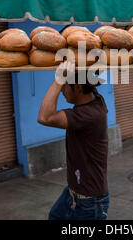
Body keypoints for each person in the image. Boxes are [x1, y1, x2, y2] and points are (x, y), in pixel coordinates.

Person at [37, 61, 110, 220]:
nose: (62, 91)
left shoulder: (89, 115)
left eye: (64, 86)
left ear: (77, 87)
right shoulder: (96, 99)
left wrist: (58, 80)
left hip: (90, 201)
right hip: (73, 192)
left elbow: (45, 117)